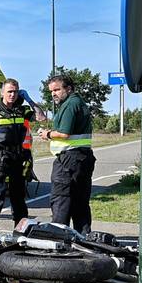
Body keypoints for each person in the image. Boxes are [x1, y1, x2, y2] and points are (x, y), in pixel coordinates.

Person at [0, 79, 46, 234]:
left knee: (18, 196)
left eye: (15, 91)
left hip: (19, 158)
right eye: (9, 91)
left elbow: (41, 117)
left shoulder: (21, 110)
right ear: (2, 92)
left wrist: (29, 100)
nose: (12, 94)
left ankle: (21, 227)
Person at [37, 74, 96, 233]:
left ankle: (59, 239)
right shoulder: (78, 102)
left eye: (57, 89)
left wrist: (47, 134)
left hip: (68, 160)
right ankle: (84, 240)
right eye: (51, 91)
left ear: (68, 89)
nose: (53, 94)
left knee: (61, 200)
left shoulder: (70, 105)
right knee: (80, 203)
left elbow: (64, 133)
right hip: (82, 158)